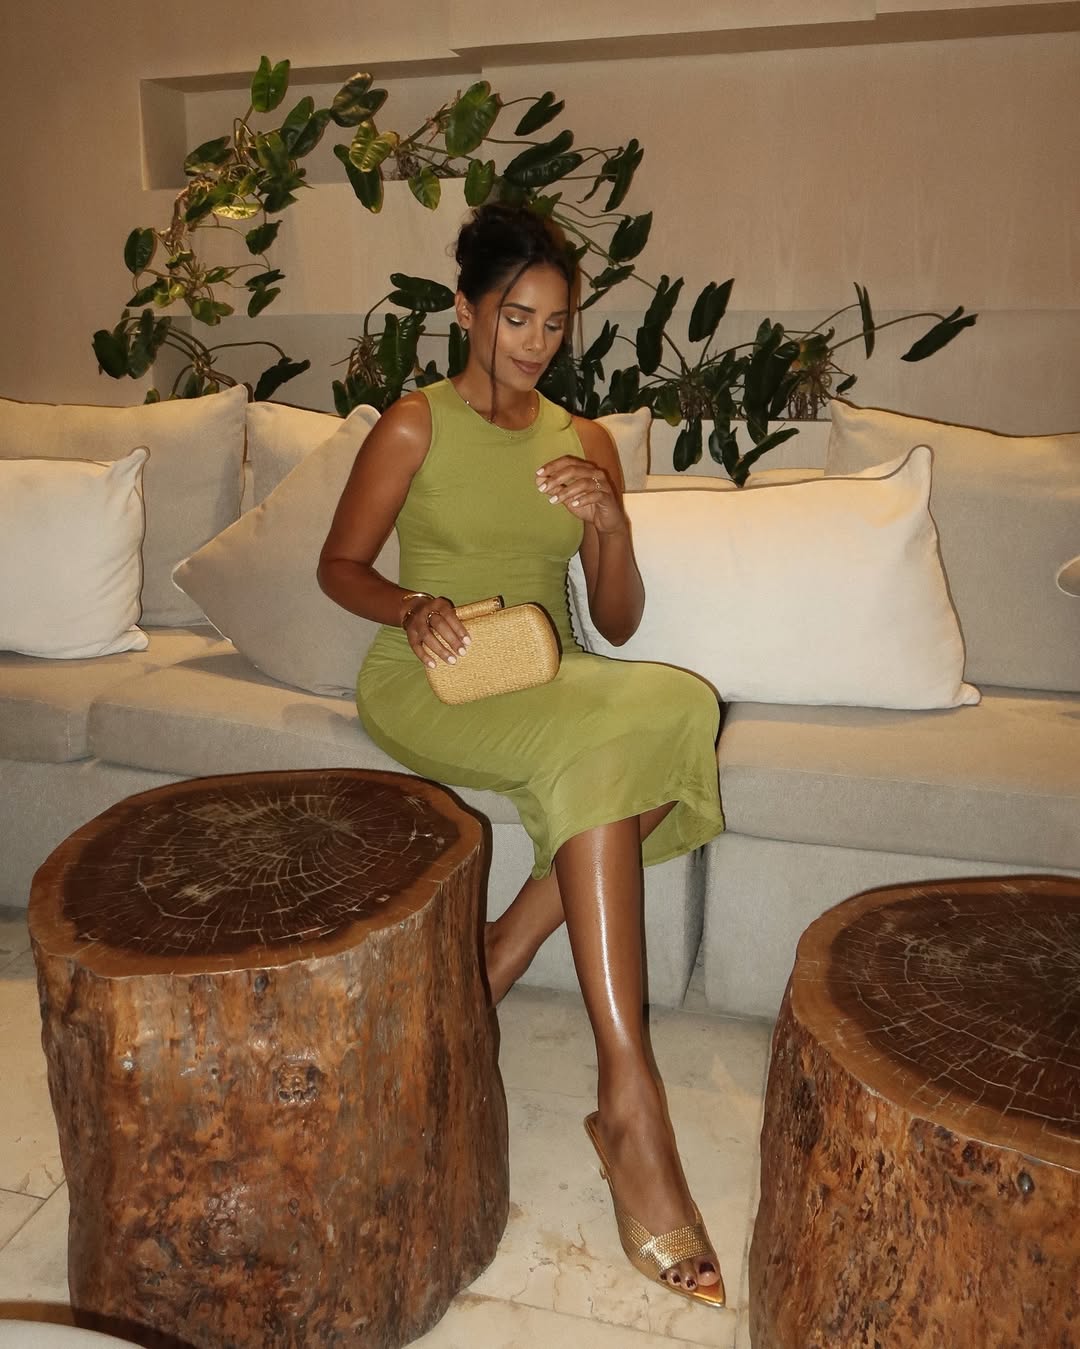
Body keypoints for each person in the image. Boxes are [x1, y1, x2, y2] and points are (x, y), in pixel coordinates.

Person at [318, 202, 727, 1307]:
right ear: (466, 310)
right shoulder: (415, 424)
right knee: (613, 745)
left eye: (555, 322)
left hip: (551, 667)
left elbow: (619, 620)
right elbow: (340, 565)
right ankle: (629, 1102)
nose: (537, 342)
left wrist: (610, 525)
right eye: (517, 318)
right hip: (435, 672)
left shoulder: (584, 439)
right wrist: (410, 607)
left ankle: (500, 957)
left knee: (678, 707)